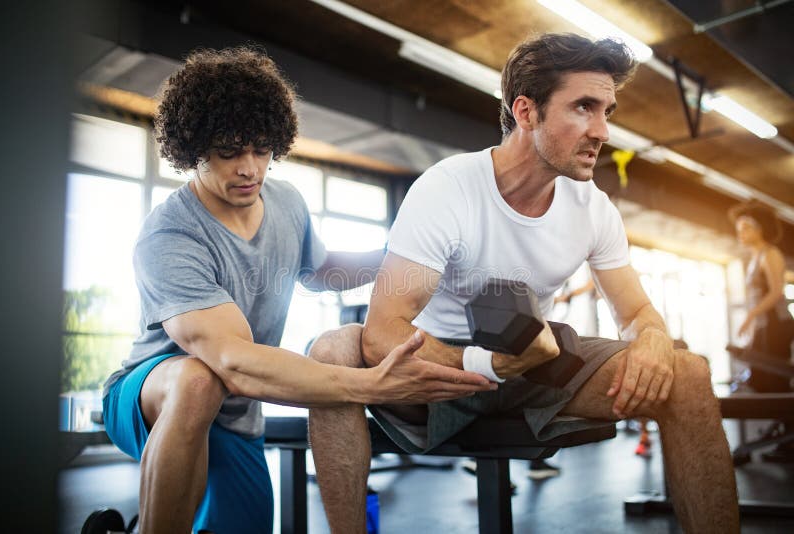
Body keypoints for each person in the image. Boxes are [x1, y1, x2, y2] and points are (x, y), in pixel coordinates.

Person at [308, 33, 739, 533]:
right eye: (584, 107)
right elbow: (383, 333)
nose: (602, 130)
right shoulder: (448, 189)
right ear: (526, 111)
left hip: (534, 365)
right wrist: (485, 364)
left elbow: (637, 312)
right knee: (333, 349)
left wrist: (654, 340)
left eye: (607, 112)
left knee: (688, 374)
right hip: (435, 374)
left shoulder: (593, 208)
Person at [100, 46, 495, 534]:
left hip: (235, 413)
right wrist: (369, 385)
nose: (250, 168)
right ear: (194, 149)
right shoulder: (171, 234)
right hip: (151, 394)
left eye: (261, 150)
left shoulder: (285, 202)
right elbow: (232, 361)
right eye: (229, 152)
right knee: (198, 380)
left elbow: (322, 270)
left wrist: (407, 253)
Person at [730, 200, 794, 392]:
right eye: (739, 229)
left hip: (777, 323)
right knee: (759, 378)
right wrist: (753, 325)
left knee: (775, 379)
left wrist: (750, 316)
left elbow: (776, 292)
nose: (741, 233)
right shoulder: (753, 259)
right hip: (763, 324)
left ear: (760, 229)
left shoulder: (770, 254)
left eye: (746, 228)